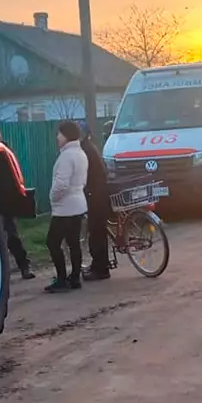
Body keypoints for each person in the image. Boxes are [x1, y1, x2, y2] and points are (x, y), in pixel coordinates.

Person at [0, 122, 34, 279]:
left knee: (12, 236)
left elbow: (15, 177)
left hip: (5, 200)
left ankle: (24, 266)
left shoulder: (4, 152)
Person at [45, 119, 88, 293]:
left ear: (66, 135)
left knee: (52, 242)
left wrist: (53, 198)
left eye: (60, 133)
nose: (57, 137)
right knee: (73, 242)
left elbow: (61, 185)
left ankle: (62, 279)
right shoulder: (81, 154)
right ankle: (75, 277)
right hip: (79, 204)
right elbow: (83, 181)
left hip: (64, 208)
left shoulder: (66, 156)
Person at [80, 123, 112, 280]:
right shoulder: (90, 147)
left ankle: (101, 269)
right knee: (98, 231)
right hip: (99, 192)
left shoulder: (84, 150)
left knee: (96, 231)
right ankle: (98, 265)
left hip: (95, 194)